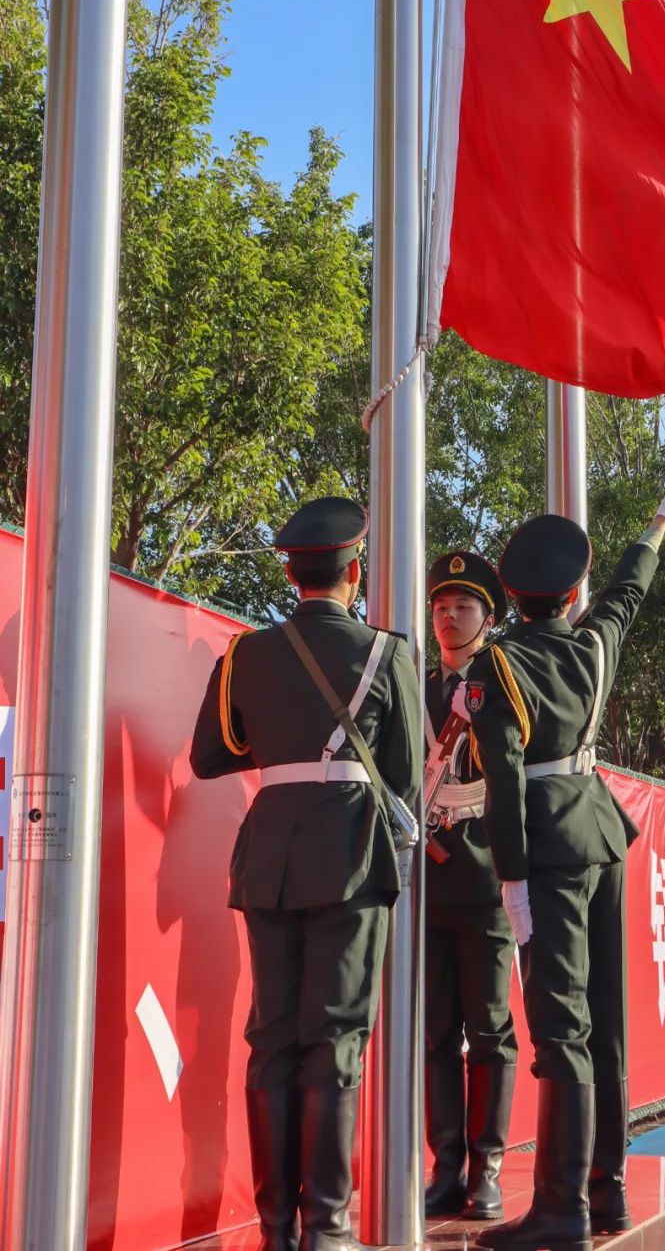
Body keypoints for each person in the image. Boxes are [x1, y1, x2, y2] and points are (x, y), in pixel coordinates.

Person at [461, 473, 665, 1251]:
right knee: (605, 1022)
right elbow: (629, 591)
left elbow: (504, 783)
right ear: (572, 595)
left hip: (549, 849)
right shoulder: (594, 644)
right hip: (600, 831)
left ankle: (561, 1207)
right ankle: (609, 1191)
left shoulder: (496, 666)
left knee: (561, 1027)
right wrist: (658, 522)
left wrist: (511, 876)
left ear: (509, 595)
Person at [190, 496, 422, 1251]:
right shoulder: (387, 653)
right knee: (336, 1036)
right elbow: (404, 777)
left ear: (293, 574)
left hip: (270, 857)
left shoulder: (247, 654)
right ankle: (328, 1226)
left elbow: (211, 755)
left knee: (274, 1038)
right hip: (351, 853)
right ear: (355, 572)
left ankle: (276, 1231)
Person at [423, 551, 518, 1220]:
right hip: (427, 880)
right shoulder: (413, 685)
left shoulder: (502, 681)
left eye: (463, 606)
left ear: (488, 618)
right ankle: (445, 1165)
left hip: (485, 878)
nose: (449, 617)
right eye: (440, 606)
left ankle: (488, 1167)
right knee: (434, 1031)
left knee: (488, 1028)